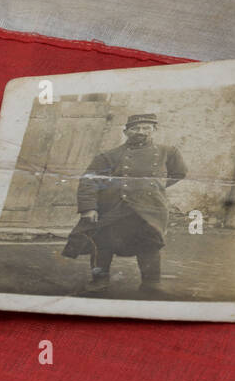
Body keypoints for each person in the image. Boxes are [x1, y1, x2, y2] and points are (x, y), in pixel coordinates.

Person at [67, 113, 187, 293]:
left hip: (150, 209)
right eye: (135, 128)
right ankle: (100, 280)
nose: (141, 132)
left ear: (155, 130)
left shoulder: (168, 152)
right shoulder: (109, 156)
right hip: (115, 207)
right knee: (102, 244)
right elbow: (89, 181)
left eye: (146, 128)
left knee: (150, 245)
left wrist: (154, 187)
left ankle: (151, 284)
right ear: (126, 131)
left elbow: (179, 173)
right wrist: (89, 208)